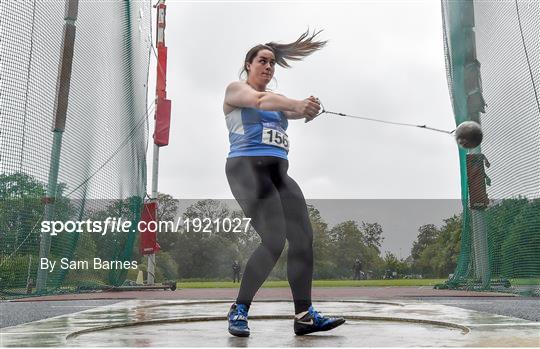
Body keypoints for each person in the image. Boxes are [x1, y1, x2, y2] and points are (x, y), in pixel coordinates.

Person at [223, 30, 345, 337]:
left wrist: (310, 107)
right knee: (274, 240)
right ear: (248, 65)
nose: (268, 67)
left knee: (303, 239)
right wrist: (299, 103)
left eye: (272, 63)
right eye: (262, 61)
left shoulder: (277, 104)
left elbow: (293, 109)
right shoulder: (236, 90)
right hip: (247, 171)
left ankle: (304, 315)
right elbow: (261, 100)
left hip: (278, 174)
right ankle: (239, 309)